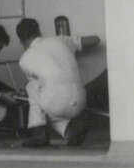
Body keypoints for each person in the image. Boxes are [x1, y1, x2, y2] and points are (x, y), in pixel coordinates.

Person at [16, 17, 100, 148]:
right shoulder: (62, 40)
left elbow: (38, 90)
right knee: (52, 107)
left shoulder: (24, 59)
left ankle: (38, 131)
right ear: (39, 31)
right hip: (80, 102)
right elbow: (95, 40)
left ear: (21, 41)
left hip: (57, 105)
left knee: (32, 86)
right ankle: (69, 131)